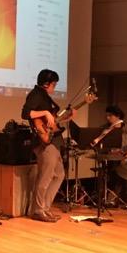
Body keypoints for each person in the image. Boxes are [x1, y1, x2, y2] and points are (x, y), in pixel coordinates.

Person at [21, 69, 75, 222]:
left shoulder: (45, 97)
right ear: (46, 83)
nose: (54, 87)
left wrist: (66, 117)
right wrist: (45, 113)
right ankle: (38, 211)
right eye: (53, 84)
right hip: (44, 141)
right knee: (46, 177)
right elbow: (25, 114)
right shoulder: (36, 94)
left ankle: (44, 208)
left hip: (54, 140)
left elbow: (52, 121)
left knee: (59, 174)